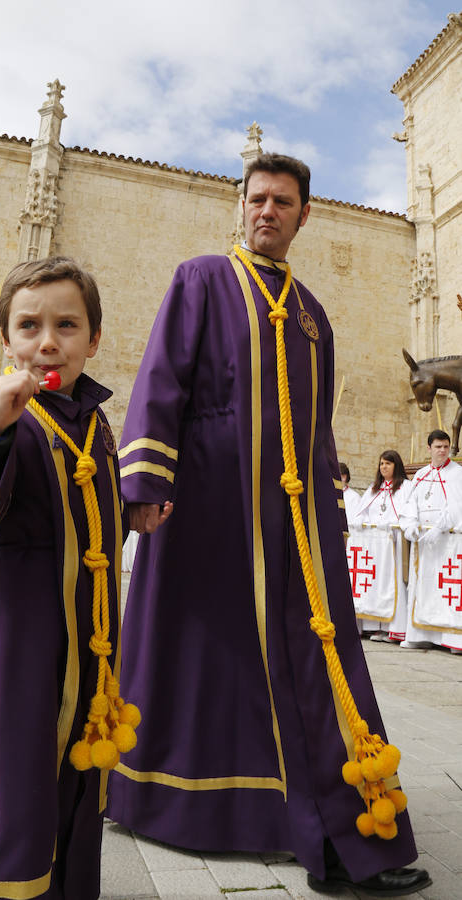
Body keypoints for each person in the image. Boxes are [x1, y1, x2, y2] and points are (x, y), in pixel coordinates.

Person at [107, 153, 429, 897]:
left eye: (283, 202)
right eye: (256, 199)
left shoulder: (312, 313)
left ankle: (331, 817)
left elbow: (314, 431)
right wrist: (145, 482)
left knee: (308, 662)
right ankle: (181, 798)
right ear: (240, 205)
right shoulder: (200, 280)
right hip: (208, 512)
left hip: (295, 524)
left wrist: (326, 509)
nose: (267, 212)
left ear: (303, 214)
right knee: (210, 657)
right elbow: (161, 381)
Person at [0, 257, 145, 899]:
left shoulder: (94, 423)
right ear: (7, 339)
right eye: (30, 325)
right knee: (5, 789)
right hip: (11, 646)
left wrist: (133, 508)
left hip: (85, 648)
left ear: (94, 340)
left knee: (71, 783)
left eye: (67, 325)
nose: (48, 340)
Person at [399, 430, 462, 653]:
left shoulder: (457, 474)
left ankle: (452, 638)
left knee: (447, 590)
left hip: (448, 542)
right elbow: (409, 504)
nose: (443, 451)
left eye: (446, 446)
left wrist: (440, 527)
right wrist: (411, 525)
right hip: (423, 543)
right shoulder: (421, 474)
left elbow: (457, 506)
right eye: (438, 447)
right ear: (429, 449)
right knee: (422, 587)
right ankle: (420, 634)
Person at [349, 451, 412, 642]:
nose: (383, 467)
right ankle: (375, 626)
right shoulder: (374, 488)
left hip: (394, 542)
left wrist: (392, 523)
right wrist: (362, 522)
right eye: (381, 463)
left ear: (396, 465)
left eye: (388, 463)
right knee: (376, 584)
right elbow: (362, 512)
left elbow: (408, 511)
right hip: (375, 544)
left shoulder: (406, 487)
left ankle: (393, 629)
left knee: (392, 584)